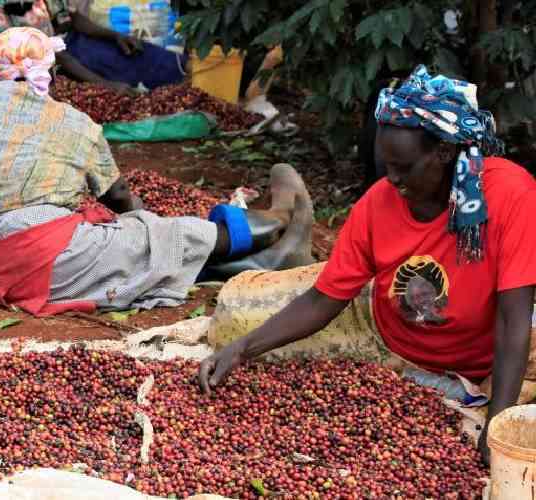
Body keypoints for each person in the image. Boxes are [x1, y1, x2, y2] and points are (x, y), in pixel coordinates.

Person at [198, 65, 536, 464]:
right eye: (385, 166)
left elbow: (514, 320)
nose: (391, 179)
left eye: (404, 167)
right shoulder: (377, 204)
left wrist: (497, 426)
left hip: (479, 358)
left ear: (444, 152)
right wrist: (241, 349)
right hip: (380, 326)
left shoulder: (511, 196)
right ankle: (290, 255)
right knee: (230, 320)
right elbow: (323, 300)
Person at [0, 27, 313, 316]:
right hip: (39, 262)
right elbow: (118, 197)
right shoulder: (72, 122)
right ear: (49, 71)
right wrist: (147, 228)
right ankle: (279, 221)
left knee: (124, 260)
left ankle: (262, 261)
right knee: (157, 235)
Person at [0, 0, 186, 94]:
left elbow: (72, 18)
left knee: (142, 54)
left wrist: (115, 36)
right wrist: (106, 86)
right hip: (39, 61)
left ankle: (174, 74)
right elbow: (54, 54)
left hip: (70, 42)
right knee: (119, 77)